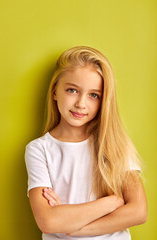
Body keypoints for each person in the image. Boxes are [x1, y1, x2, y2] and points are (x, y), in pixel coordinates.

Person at [25, 46, 148, 240]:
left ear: (103, 101)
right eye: (72, 90)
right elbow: (48, 221)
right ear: (55, 91)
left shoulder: (114, 142)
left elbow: (138, 212)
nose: (81, 103)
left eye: (93, 95)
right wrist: (112, 202)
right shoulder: (39, 149)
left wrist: (73, 226)